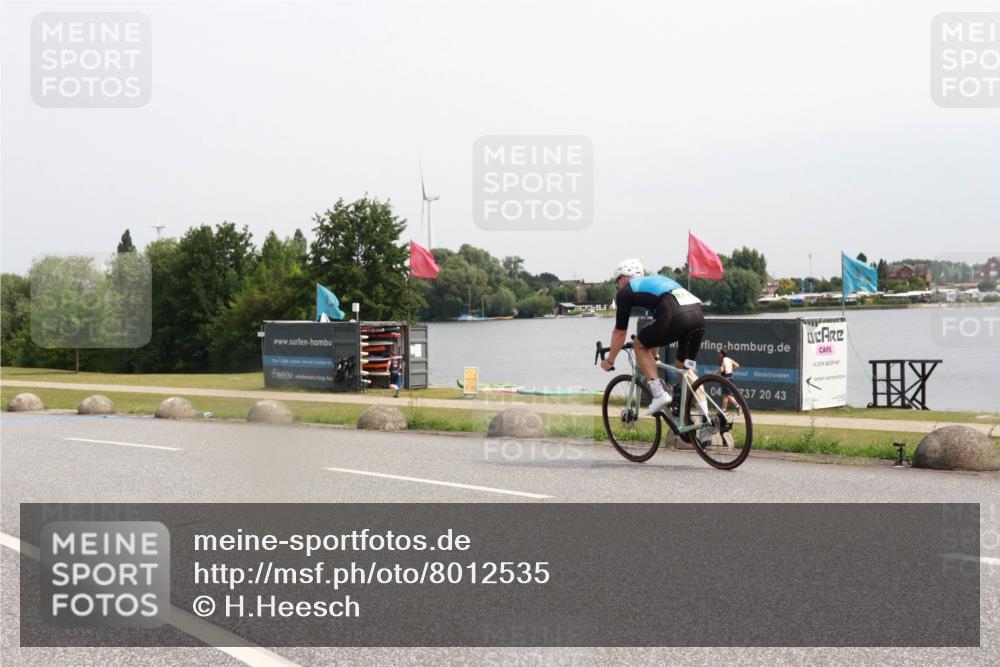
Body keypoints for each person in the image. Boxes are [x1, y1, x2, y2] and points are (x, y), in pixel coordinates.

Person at [600, 258, 706, 415]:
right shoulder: (656, 281)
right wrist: (655, 355)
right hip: (697, 316)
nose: (619, 287)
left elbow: (620, 332)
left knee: (638, 345)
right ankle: (707, 422)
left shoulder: (626, 291)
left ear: (623, 277)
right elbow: (658, 322)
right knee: (684, 370)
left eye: (618, 282)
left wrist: (610, 361)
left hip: (675, 313)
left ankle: (659, 394)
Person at [718, 348, 742, 415]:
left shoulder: (721, 360)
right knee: (726, 395)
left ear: (721, 354)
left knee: (726, 395)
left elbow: (721, 370)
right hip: (730, 378)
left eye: (719, 353)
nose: (718, 354)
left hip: (725, 378)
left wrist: (716, 373)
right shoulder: (729, 359)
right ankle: (726, 410)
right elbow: (737, 365)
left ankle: (724, 410)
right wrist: (731, 369)